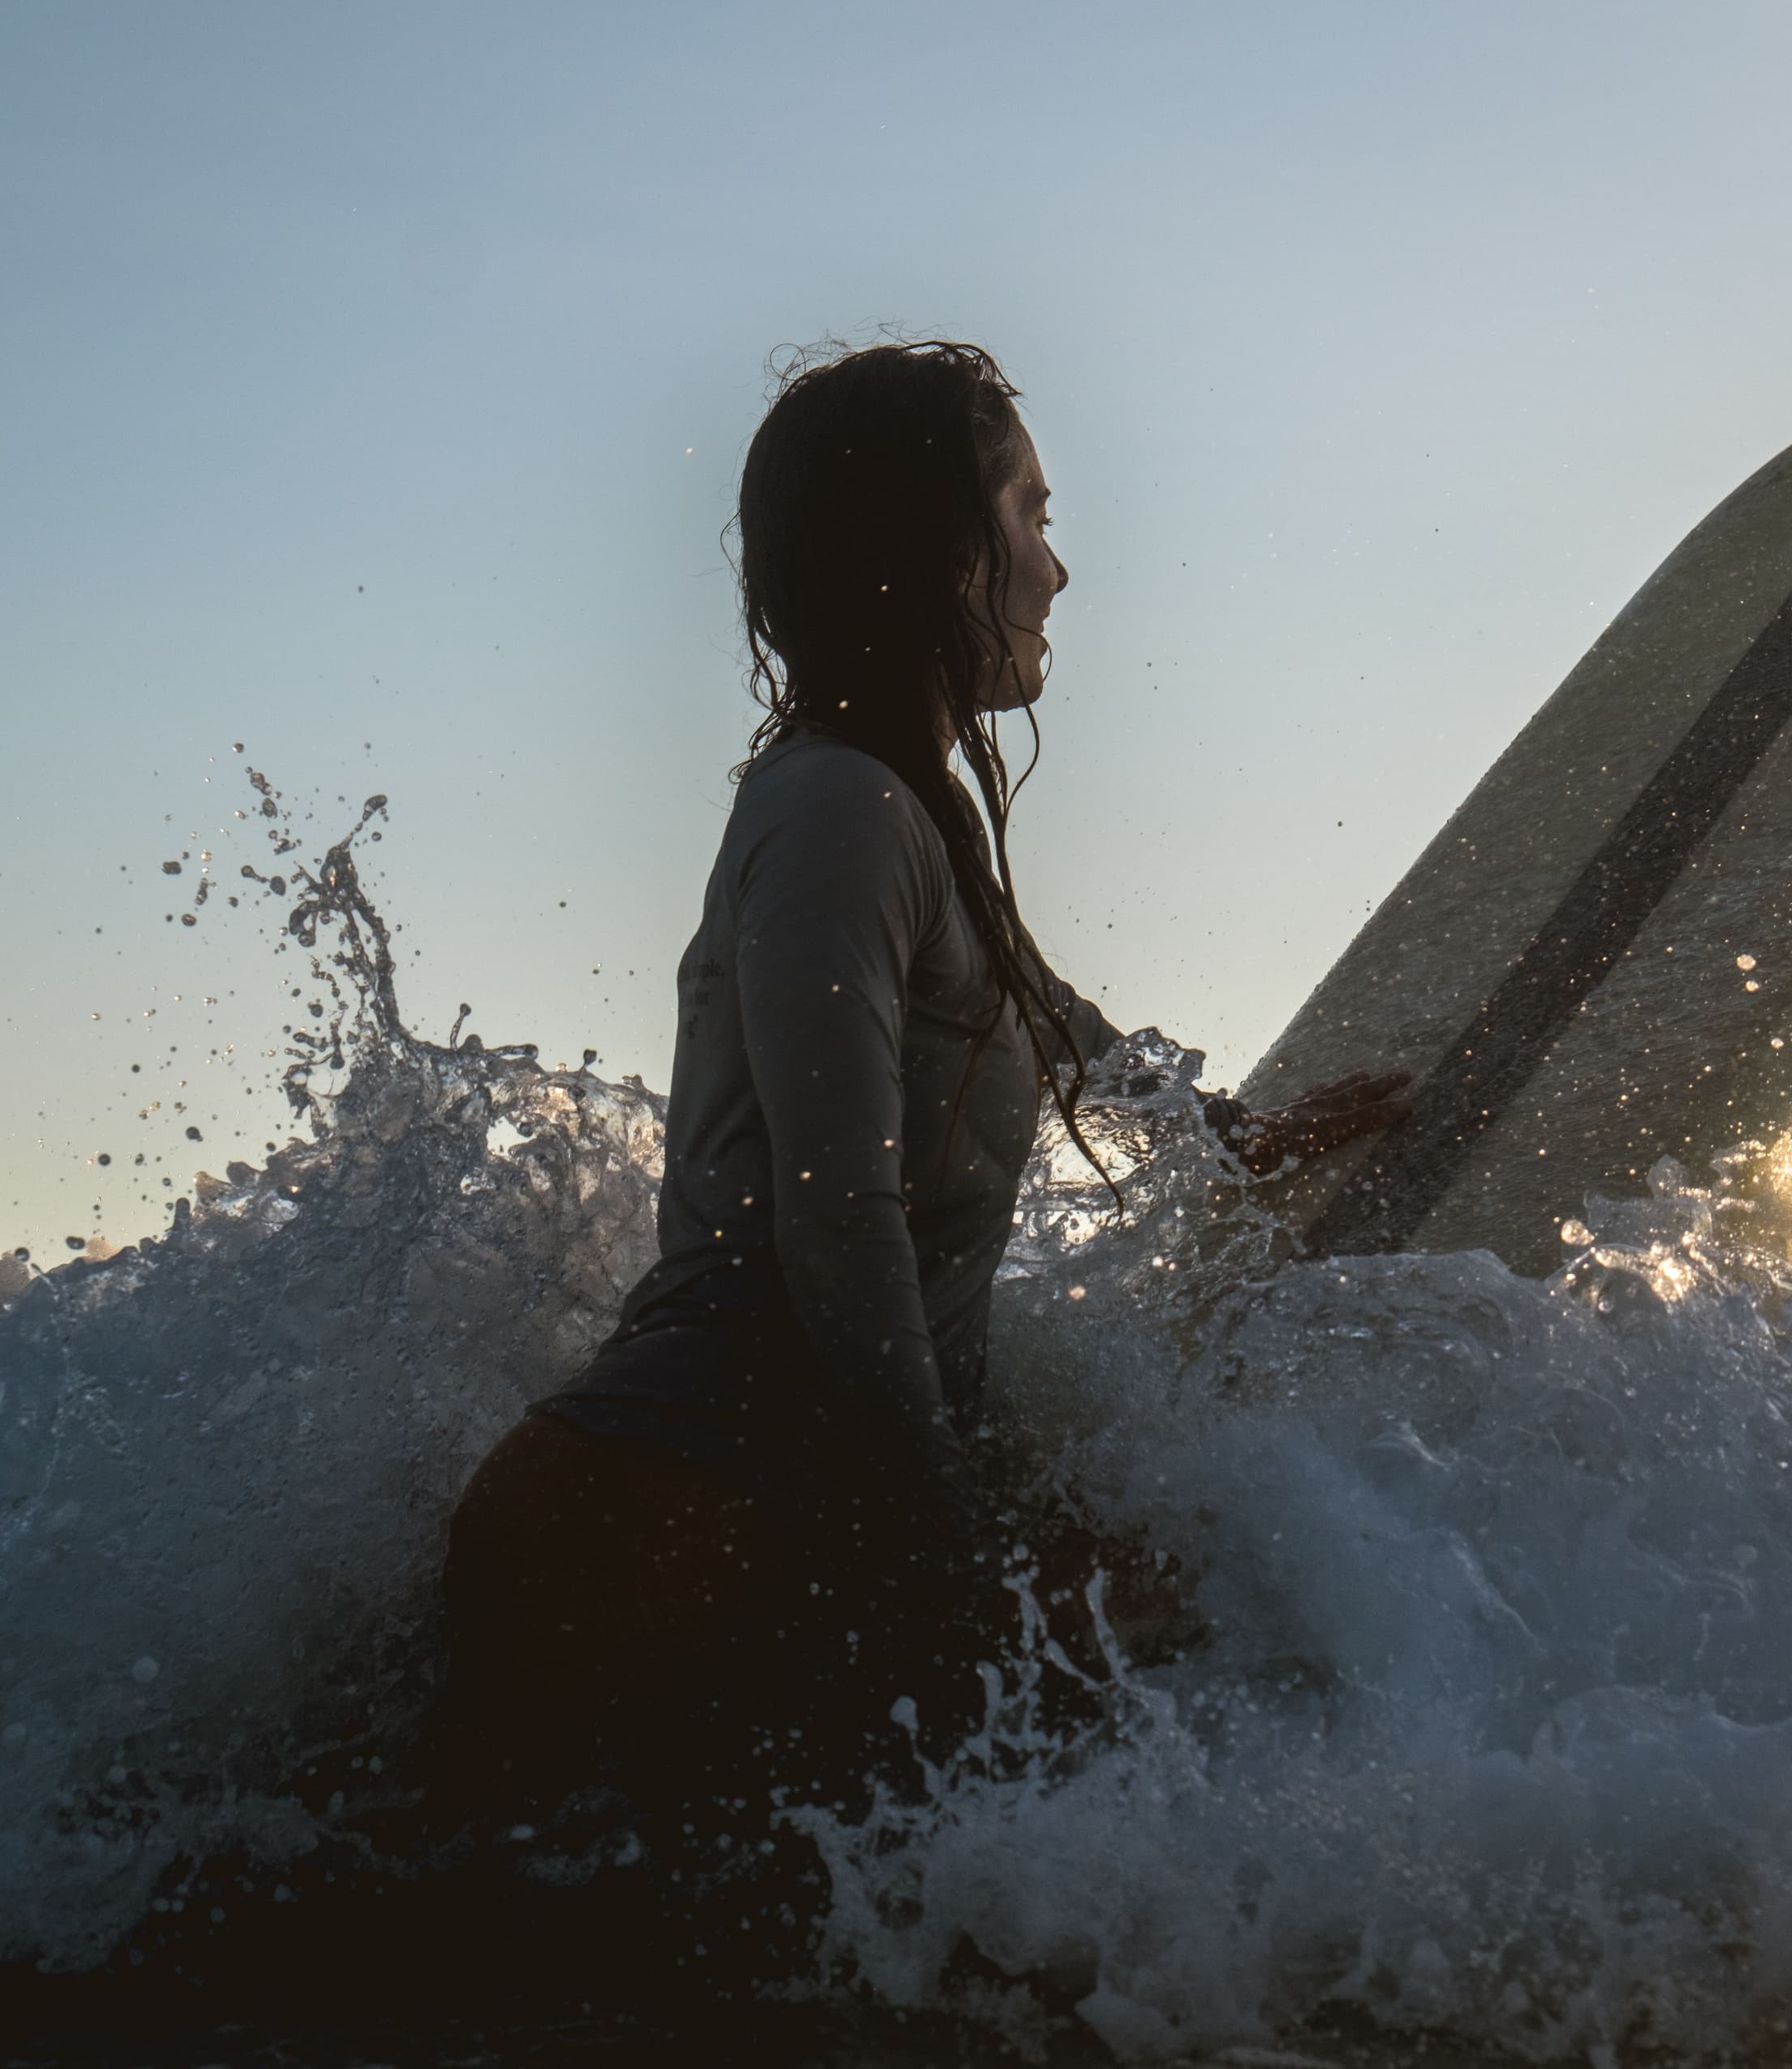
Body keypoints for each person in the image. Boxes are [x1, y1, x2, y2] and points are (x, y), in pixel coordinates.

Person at [436, 339, 1403, 1815]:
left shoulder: (906, 809)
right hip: (653, 1516)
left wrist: (1234, 1137)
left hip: (751, 1495)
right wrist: (950, 1546)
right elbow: (838, 1215)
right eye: (1028, 514)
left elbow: (1056, 1020)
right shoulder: (837, 811)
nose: (1057, 570)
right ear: (934, 552)